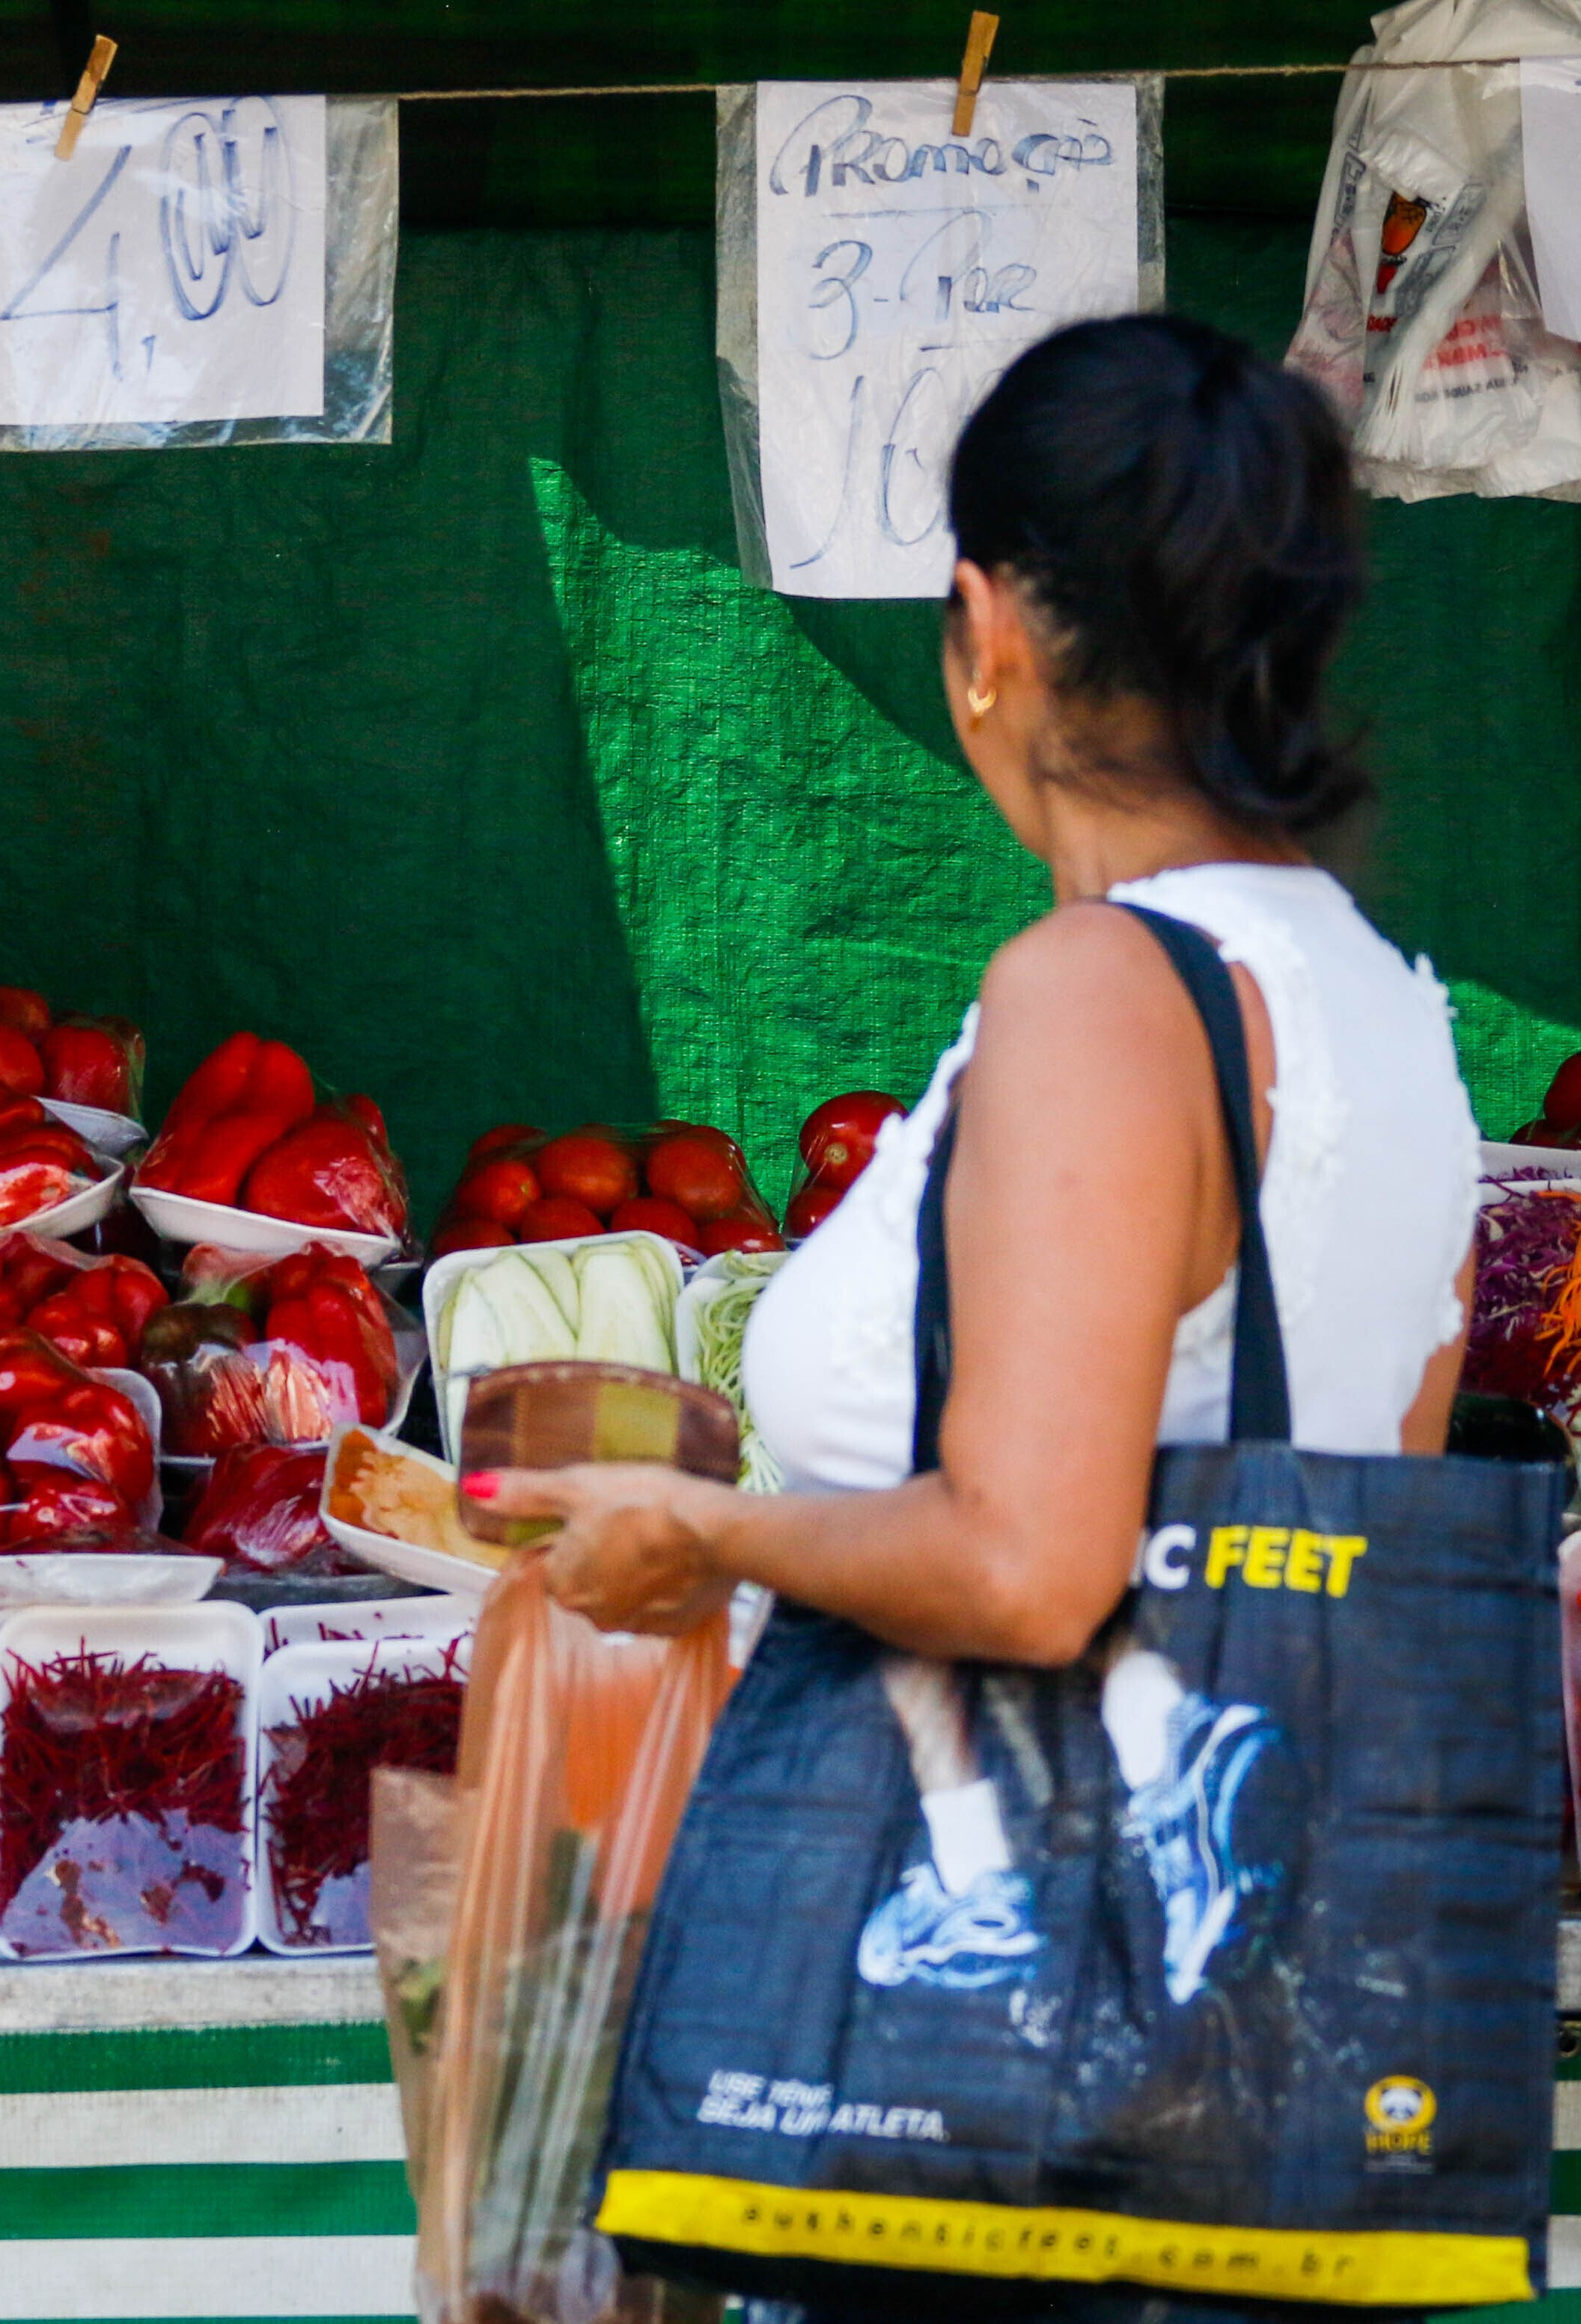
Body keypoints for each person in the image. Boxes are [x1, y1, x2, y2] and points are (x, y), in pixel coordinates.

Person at [464, 315, 1481, 2320]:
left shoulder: (1099, 993)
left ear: (986, 623)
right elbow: (1332, 1541)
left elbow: (1030, 1564)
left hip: (987, 2104)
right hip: (1244, 2055)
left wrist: (709, 1533)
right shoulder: (1387, 1007)